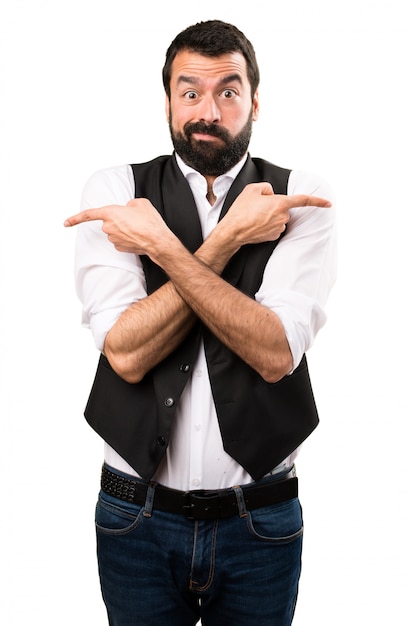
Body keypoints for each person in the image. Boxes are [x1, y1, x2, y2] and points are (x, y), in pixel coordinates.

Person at [64, 19, 336, 626]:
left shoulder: (302, 199)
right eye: (190, 93)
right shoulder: (117, 191)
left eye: (228, 92)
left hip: (259, 519)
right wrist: (226, 242)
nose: (207, 111)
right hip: (134, 516)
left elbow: (274, 353)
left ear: (255, 102)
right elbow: (126, 355)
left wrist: (161, 249)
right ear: (167, 103)